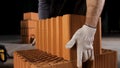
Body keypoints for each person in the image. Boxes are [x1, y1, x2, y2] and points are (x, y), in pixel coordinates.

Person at [38, 0, 105, 68]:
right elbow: (43, 2)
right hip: (58, 21)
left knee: (81, 57)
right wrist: (43, 30)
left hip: (82, 17)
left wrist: (89, 28)